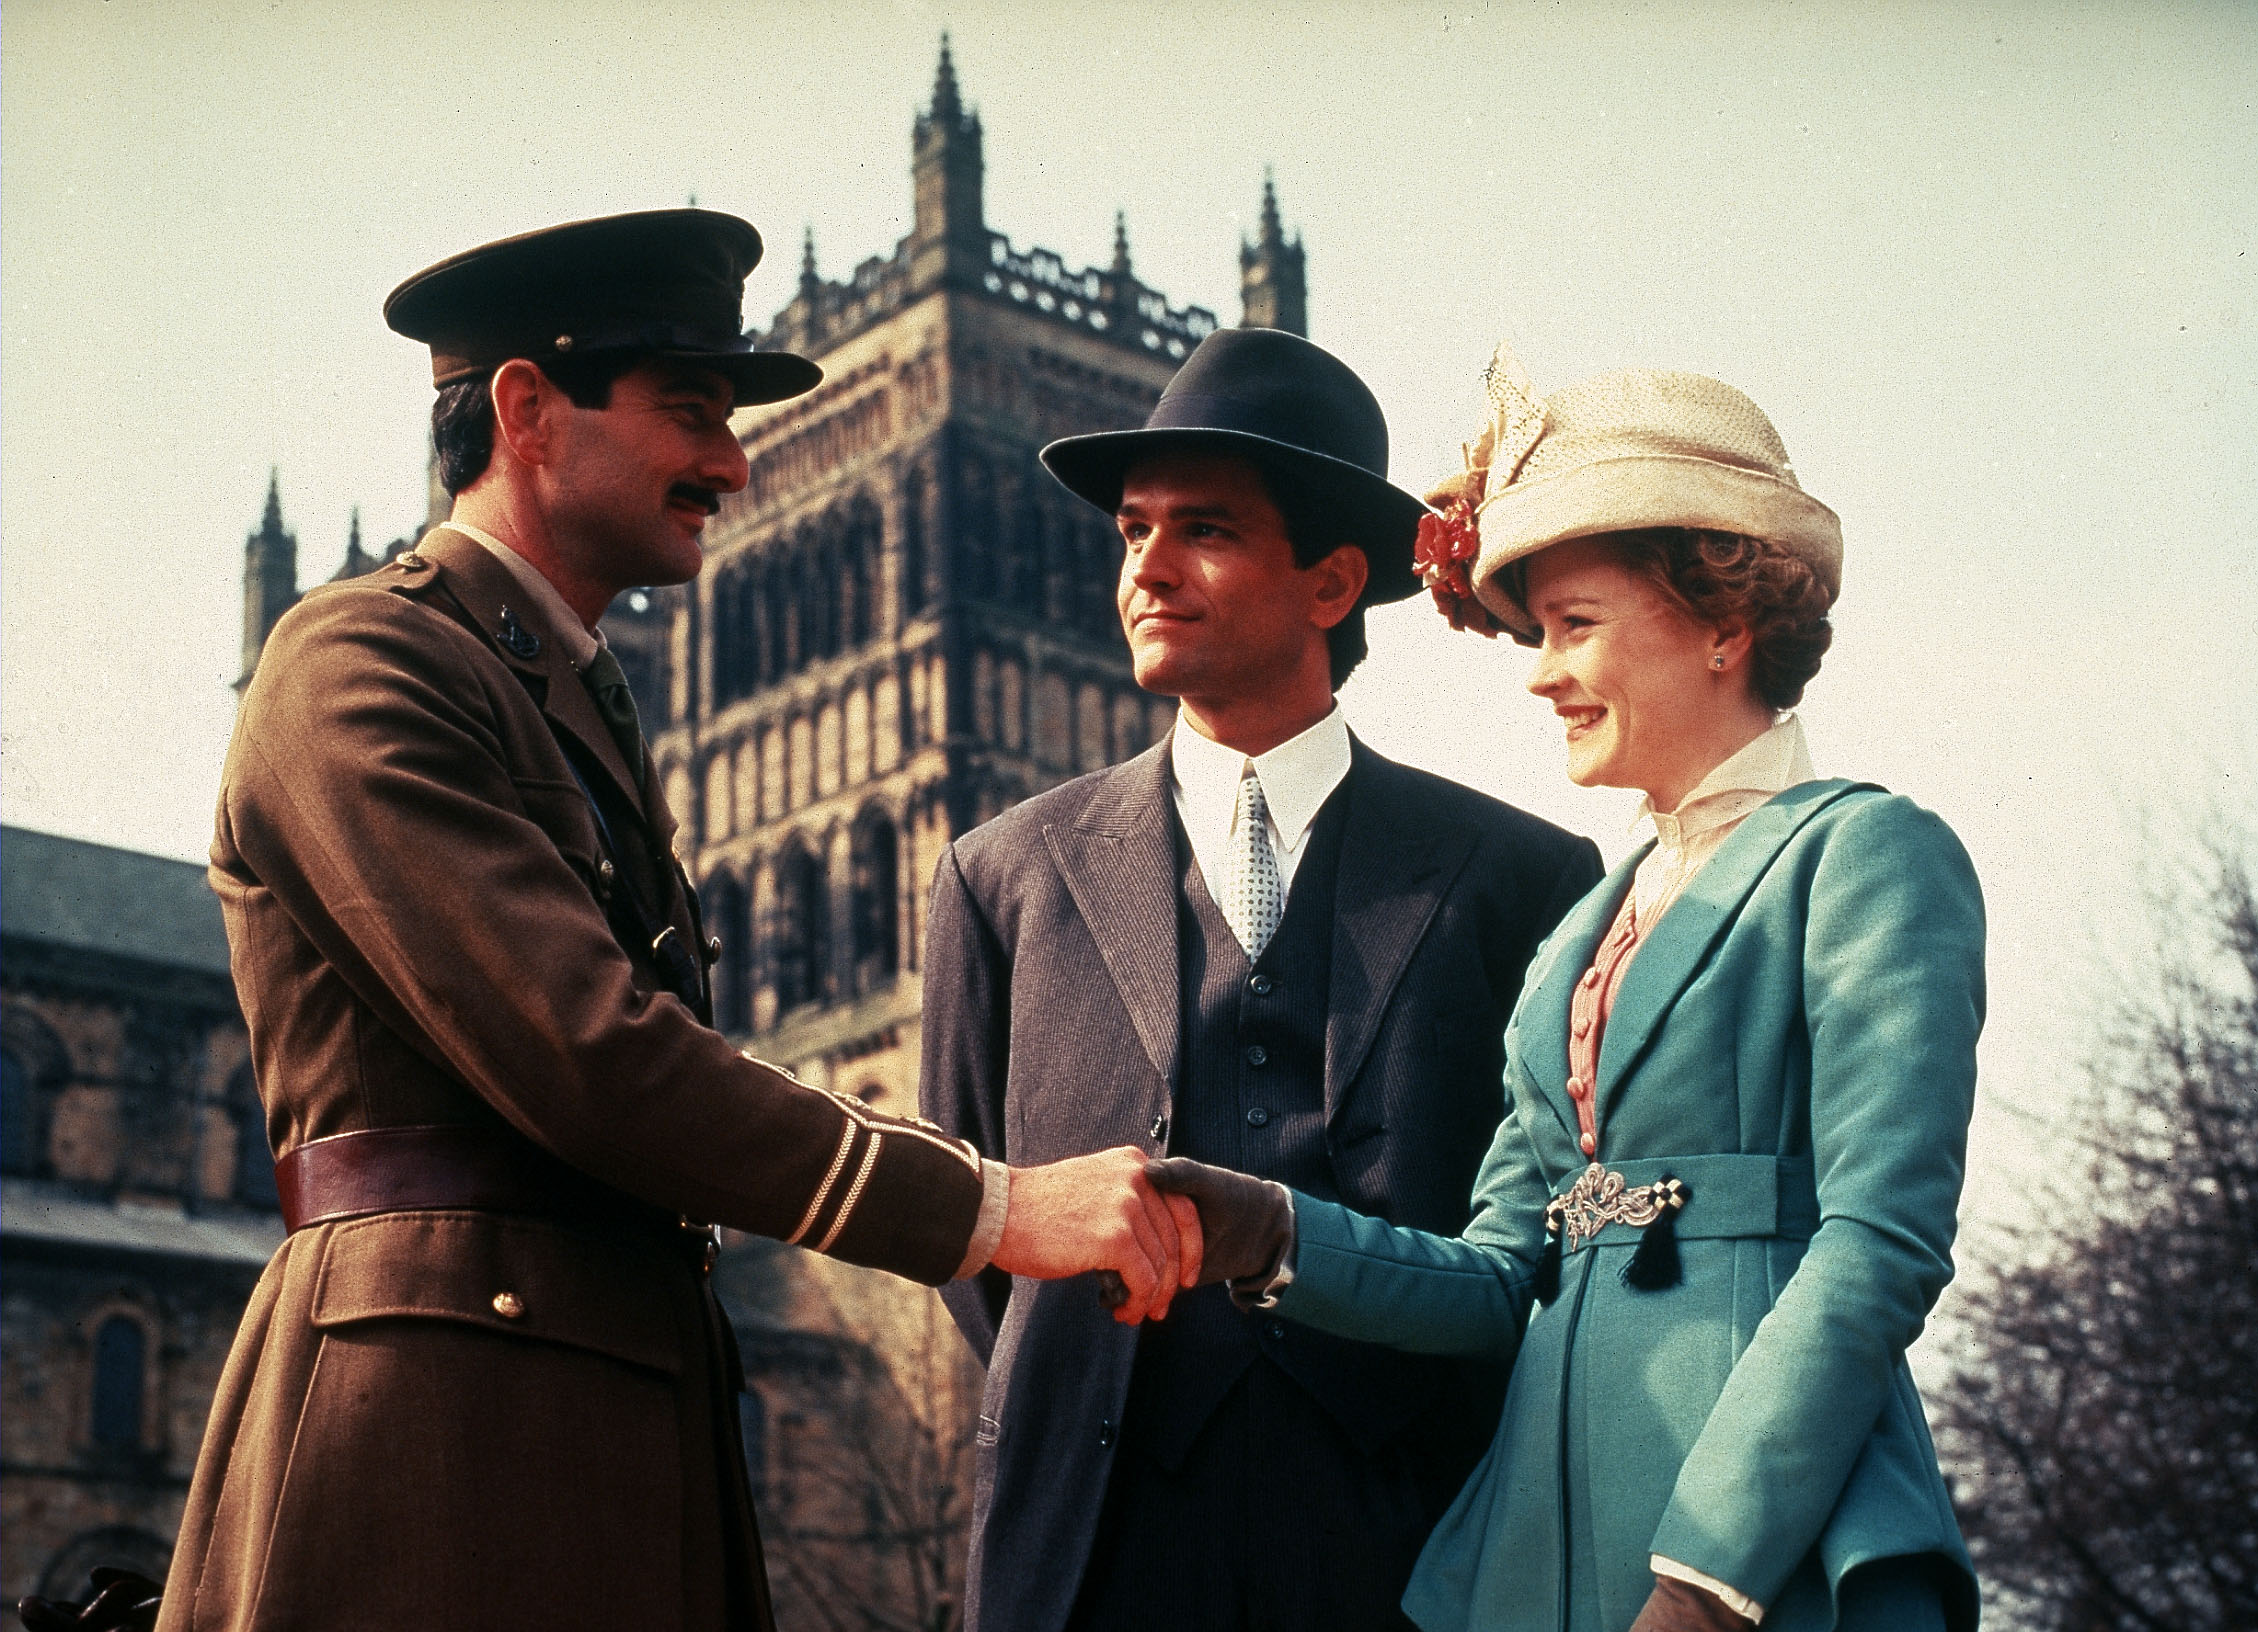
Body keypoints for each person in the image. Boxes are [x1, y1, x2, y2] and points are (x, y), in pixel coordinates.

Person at [153, 210, 1197, 1632]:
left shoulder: (572, 694)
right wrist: (996, 1204)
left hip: (617, 1411)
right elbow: (592, 1052)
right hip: (433, 1442)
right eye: (689, 412)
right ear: (527, 410)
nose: (733, 462)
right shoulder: (354, 659)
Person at [1149, 346, 1986, 1632]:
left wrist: (1707, 1578)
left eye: (1573, 626)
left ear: (1723, 623)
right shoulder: (1578, 933)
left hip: (1762, 1549)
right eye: (1537, 633)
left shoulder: (1863, 854)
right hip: (1539, 1546)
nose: (1539, 673)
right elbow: (1496, 1279)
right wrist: (1264, 1231)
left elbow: (1877, 1244)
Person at [920, 327, 1605, 1632]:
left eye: (1206, 532)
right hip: (1090, 1551)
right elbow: (980, 1246)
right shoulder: (998, 876)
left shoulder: (1519, 876)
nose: (1147, 571)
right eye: (1132, 532)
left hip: (1415, 1549)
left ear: (1332, 581)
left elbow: (1546, 1241)